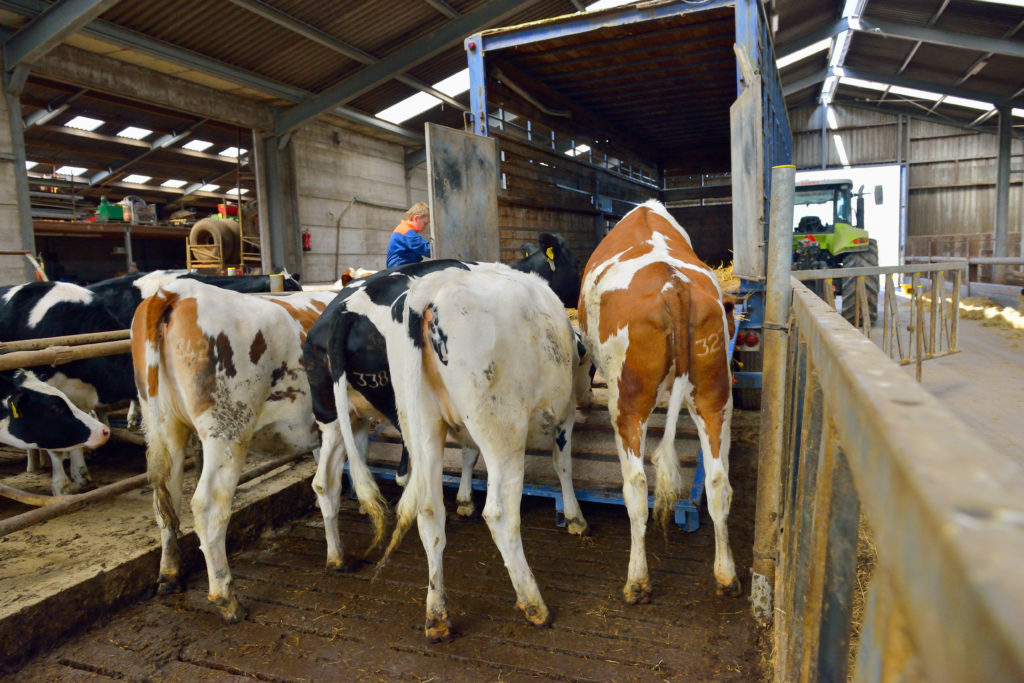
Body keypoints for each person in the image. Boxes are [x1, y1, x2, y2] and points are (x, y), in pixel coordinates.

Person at [386, 202, 431, 268]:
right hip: (400, 267)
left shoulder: (405, 229)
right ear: (416, 218)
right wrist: (441, 251)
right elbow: (425, 248)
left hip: (402, 265)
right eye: (425, 223)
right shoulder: (406, 231)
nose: (425, 227)